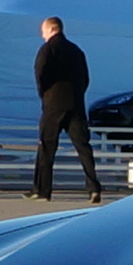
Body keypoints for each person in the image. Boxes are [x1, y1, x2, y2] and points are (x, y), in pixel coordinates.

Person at [28, 15, 96, 198]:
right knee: (83, 147)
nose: (42, 35)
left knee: (47, 148)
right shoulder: (76, 50)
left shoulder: (47, 49)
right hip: (76, 104)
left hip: (54, 105)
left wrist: (44, 94)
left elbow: (40, 73)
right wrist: (78, 94)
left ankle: (42, 190)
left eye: (43, 31)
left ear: (51, 29)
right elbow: (85, 78)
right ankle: (94, 187)